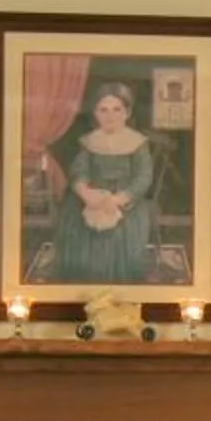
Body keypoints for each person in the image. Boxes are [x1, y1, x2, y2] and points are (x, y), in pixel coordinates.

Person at [53, 79, 159, 284]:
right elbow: (79, 171)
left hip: (126, 200)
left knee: (120, 234)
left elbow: (144, 177)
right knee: (74, 224)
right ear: (95, 113)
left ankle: (119, 284)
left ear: (127, 113)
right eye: (103, 110)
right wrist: (85, 192)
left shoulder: (137, 143)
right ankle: (82, 285)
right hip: (93, 196)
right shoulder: (89, 141)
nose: (110, 116)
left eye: (117, 109)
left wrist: (119, 199)